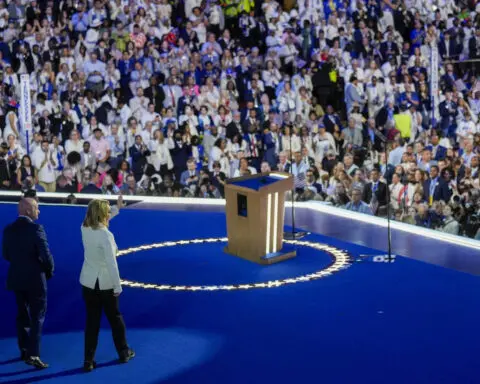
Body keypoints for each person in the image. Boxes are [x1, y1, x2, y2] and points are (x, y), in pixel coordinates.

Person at [79, 195, 134, 372]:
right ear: (103, 215)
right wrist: (117, 286)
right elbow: (111, 262)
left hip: (88, 283)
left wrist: (117, 209)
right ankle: (123, 352)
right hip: (105, 285)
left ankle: (88, 360)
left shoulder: (84, 228)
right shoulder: (106, 235)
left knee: (91, 322)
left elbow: (100, 217)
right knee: (115, 319)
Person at [2, 198, 54, 369]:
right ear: (28, 210)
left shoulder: (8, 229)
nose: (38, 211)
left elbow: (6, 255)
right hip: (35, 280)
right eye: (37, 208)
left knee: (22, 315)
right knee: (37, 317)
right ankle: (34, 354)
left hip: (17, 279)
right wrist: (48, 271)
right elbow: (46, 256)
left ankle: (24, 350)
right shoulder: (36, 229)